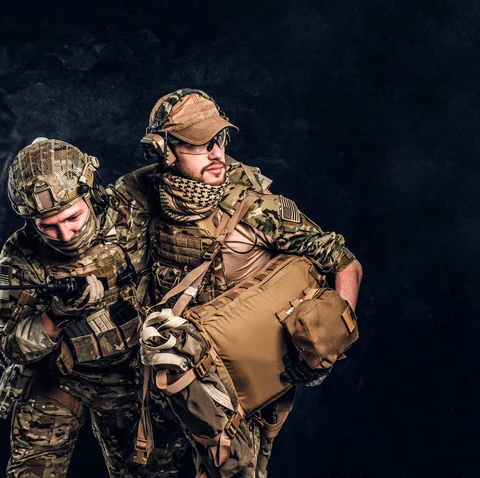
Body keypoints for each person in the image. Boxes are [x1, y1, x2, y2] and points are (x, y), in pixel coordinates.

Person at [130, 89, 363, 478]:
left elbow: (346, 265)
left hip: (240, 389)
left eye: (220, 140)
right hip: (170, 380)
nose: (217, 153)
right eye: (200, 145)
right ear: (163, 150)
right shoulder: (141, 198)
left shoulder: (257, 207)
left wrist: (324, 349)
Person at [0, 137, 187, 477]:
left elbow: (193, 177)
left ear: (88, 194)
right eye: (48, 226)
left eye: (73, 218)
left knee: (149, 469)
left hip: (132, 372)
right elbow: (7, 348)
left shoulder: (129, 207)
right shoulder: (19, 255)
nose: (65, 234)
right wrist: (55, 317)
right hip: (62, 375)